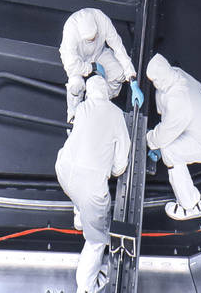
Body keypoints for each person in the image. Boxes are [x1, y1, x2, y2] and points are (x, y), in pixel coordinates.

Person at [56, 73, 131, 293]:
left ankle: (79, 220)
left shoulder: (82, 108)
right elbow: (120, 162)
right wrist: (114, 171)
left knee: (75, 194)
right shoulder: (116, 115)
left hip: (63, 170)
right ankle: (86, 287)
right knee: (97, 240)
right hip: (90, 188)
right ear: (107, 92)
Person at [145, 52, 201, 221]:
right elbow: (168, 117)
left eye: (155, 80)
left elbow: (165, 133)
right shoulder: (176, 74)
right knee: (165, 144)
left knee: (170, 151)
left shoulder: (180, 101)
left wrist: (149, 140)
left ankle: (189, 205)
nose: (154, 84)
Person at [60, 7, 144, 119]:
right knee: (76, 84)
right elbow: (72, 65)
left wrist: (132, 78)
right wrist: (92, 67)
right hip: (78, 60)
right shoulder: (71, 29)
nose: (93, 39)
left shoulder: (102, 20)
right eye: (89, 40)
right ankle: (74, 115)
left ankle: (101, 101)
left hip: (98, 53)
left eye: (94, 37)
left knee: (119, 73)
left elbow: (118, 47)